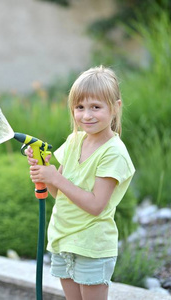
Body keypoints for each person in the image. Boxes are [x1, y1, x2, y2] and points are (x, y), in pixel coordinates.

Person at [25, 65, 135, 300]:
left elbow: (96, 206)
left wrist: (55, 178)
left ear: (115, 108)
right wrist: (45, 171)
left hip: (91, 245)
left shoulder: (113, 153)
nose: (87, 115)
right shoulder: (75, 140)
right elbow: (58, 192)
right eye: (80, 107)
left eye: (96, 107)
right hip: (64, 239)